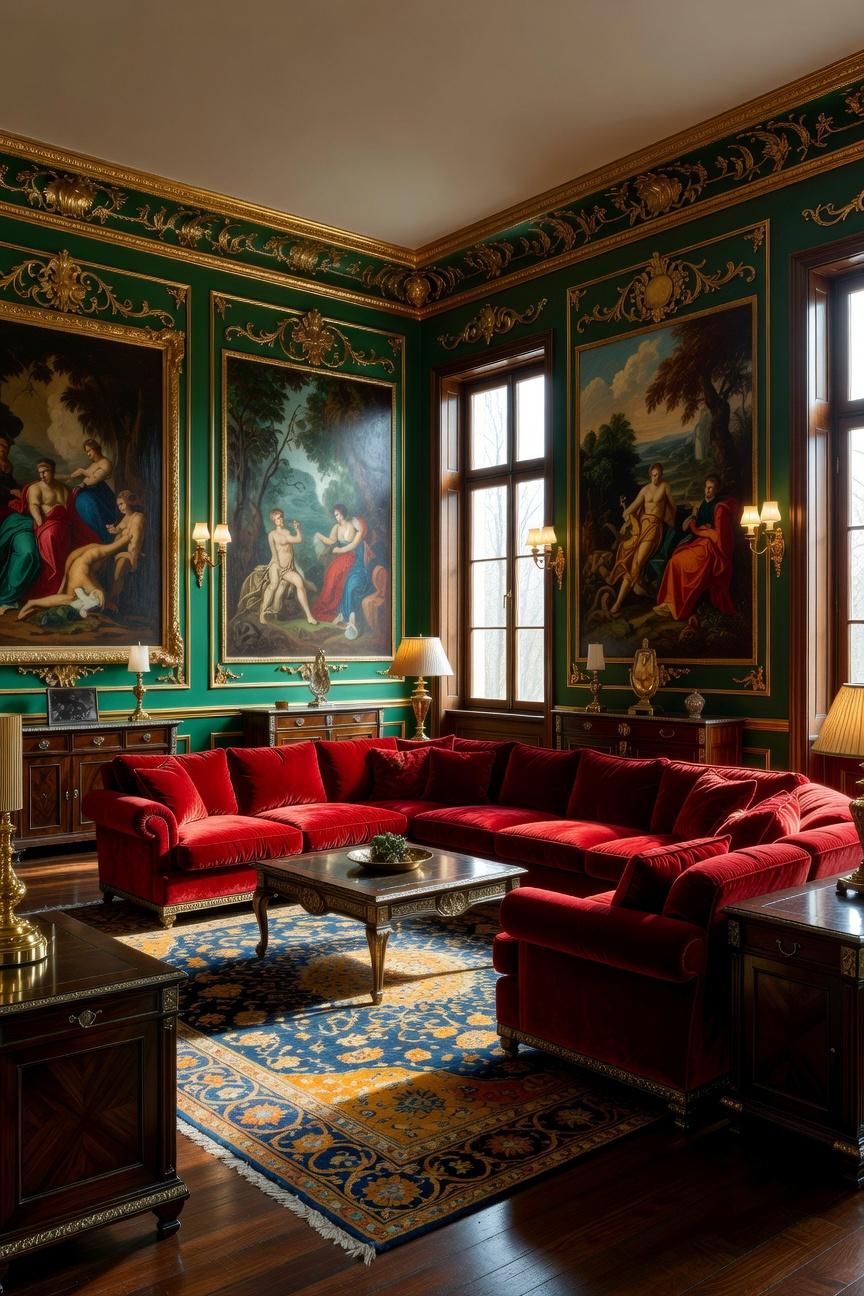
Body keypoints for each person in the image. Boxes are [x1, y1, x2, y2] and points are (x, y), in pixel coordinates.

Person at [653, 473, 740, 622]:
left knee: (686, 568)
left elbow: (718, 536)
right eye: (706, 487)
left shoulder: (719, 508)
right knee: (674, 561)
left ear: (716, 490)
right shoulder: (702, 503)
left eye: (711, 488)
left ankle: (677, 606)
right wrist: (694, 519)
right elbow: (698, 522)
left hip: (708, 547)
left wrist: (701, 528)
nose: (707, 491)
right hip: (698, 542)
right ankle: (668, 601)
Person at [609, 463, 676, 615]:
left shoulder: (665, 486)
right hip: (642, 527)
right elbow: (632, 507)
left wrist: (672, 520)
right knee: (630, 559)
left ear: (661, 474)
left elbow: (672, 506)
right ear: (650, 475)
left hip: (654, 527)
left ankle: (619, 602)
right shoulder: (645, 490)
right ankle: (622, 599)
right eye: (653, 475)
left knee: (637, 562)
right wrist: (627, 514)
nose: (655, 478)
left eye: (658, 475)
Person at [257, 509, 317, 626]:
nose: (281, 520)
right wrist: (278, 567)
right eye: (278, 518)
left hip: (289, 568)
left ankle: (309, 616)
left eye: (281, 517)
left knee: (300, 583)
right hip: (277, 565)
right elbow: (274, 554)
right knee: (273, 585)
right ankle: (262, 612)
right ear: (274, 521)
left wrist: (297, 529)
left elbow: (298, 540)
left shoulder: (287, 532)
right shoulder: (272, 535)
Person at [311, 504, 363, 622]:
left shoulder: (352, 525)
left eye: (337, 514)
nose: (336, 517)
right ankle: (326, 604)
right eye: (335, 515)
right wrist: (319, 536)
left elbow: (353, 545)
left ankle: (334, 607)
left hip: (350, 555)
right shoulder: (336, 527)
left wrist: (339, 550)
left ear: (343, 513)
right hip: (340, 556)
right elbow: (331, 541)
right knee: (331, 573)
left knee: (335, 572)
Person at [68, 439, 117, 542]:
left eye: (90, 450)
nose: (88, 453)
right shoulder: (93, 465)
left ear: (96, 449)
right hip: (92, 492)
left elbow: (94, 480)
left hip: (102, 496)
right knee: (78, 499)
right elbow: (88, 477)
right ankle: (90, 535)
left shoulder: (105, 462)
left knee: (85, 502)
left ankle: (99, 536)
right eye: (87, 451)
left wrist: (83, 474)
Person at [105, 489, 146, 608]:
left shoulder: (137, 518)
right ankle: (111, 601)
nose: (119, 507)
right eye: (118, 505)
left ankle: (113, 600)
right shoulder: (126, 517)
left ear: (129, 502)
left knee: (120, 568)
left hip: (135, 553)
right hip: (123, 552)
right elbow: (118, 530)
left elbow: (135, 543)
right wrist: (112, 529)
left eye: (121, 504)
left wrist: (133, 560)